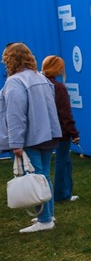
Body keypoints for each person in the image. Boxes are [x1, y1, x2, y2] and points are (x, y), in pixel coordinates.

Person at [0, 44, 61, 233]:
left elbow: (15, 115)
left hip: (30, 137)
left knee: (35, 177)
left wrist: (16, 143)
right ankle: (47, 215)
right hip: (47, 135)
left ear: (10, 60)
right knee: (43, 177)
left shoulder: (15, 82)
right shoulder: (41, 78)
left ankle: (45, 219)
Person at [40, 55, 80, 203]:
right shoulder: (58, 87)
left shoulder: (39, 84)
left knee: (44, 165)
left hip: (42, 131)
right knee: (63, 161)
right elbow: (65, 113)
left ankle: (48, 195)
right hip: (60, 131)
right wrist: (74, 133)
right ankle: (62, 194)